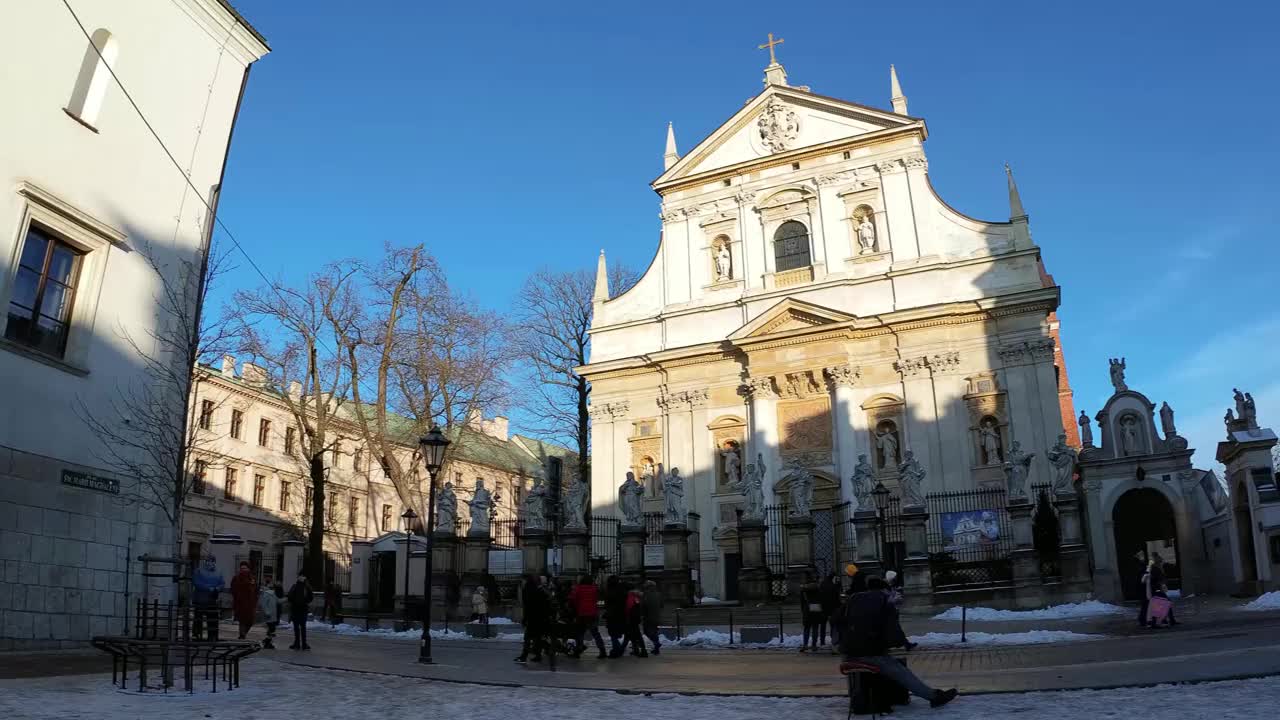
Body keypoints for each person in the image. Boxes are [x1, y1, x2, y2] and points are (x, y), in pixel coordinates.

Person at [840, 576, 957, 709]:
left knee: (891, 666)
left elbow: (836, 619)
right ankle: (934, 697)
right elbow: (893, 632)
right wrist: (897, 642)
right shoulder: (885, 601)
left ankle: (865, 698)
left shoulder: (854, 598)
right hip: (869, 653)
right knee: (901, 671)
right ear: (885, 589)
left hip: (848, 652)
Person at [567, 575, 608, 659]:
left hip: (581, 613)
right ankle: (602, 650)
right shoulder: (594, 589)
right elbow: (597, 598)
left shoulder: (578, 588)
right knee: (595, 633)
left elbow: (573, 599)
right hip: (592, 613)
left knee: (580, 633)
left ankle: (578, 651)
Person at [516, 575, 549, 663]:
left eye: (523, 581)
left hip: (532, 619)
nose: (522, 583)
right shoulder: (540, 591)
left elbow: (528, 608)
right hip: (540, 619)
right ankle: (537, 655)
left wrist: (525, 619)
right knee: (537, 638)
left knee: (527, 638)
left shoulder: (528, 591)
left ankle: (524, 656)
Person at [190, 555, 224, 641]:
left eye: (212, 561)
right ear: (205, 561)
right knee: (198, 618)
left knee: (212, 618)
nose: (210, 562)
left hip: (212, 599)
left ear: (214, 562)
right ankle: (196, 634)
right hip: (200, 598)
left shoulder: (218, 572)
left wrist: (218, 588)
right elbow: (196, 582)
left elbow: (222, 583)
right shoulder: (199, 571)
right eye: (208, 560)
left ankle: (213, 636)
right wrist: (208, 588)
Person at [230, 561, 257, 640]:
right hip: (240, 603)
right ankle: (242, 636)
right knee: (242, 620)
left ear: (248, 569)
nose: (243, 570)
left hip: (250, 603)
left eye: (245, 568)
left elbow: (255, 590)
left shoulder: (252, 578)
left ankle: (243, 634)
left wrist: (255, 600)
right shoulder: (236, 577)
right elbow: (233, 589)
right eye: (242, 568)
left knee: (250, 621)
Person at [287, 573, 314, 650]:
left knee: (296, 627)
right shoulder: (307, 587)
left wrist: (294, 602)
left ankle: (297, 643)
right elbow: (311, 597)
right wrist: (305, 602)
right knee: (303, 627)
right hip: (303, 609)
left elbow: (289, 597)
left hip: (295, 609)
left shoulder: (294, 586)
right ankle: (304, 644)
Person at [604, 576, 629, 658]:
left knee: (613, 634)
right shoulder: (622, 590)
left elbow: (607, 604)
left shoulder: (609, 591)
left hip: (612, 615)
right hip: (621, 615)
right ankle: (618, 648)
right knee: (617, 633)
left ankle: (616, 650)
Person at [799, 574, 825, 652]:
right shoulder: (818, 587)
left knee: (807, 628)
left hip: (807, 607)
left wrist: (803, 609)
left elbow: (802, 601)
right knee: (815, 627)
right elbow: (821, 598)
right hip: (816, 607)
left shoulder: (803, 588)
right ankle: (814, 645)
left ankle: (805, 644)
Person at [819, 573, 841, 654]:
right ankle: (833, 640)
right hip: (832, 609)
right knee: (833, 626)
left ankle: (822, 641)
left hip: (824, 608)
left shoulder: (823, 584)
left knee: (823, 625)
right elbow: (836, 598)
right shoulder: (833, 586)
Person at [258, 581, 284, 649]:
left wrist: (287, 599)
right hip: (269, 615)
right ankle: (266, 642)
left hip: (272, 615)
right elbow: (263, 604)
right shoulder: (266, 594)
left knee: (271, 629)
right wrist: (267, 612)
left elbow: (278, 601)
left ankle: (267, 642)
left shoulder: (272, 594)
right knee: (272, 629)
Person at [641, 580, 664, 656]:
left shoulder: (646, 594)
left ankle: (657, 644)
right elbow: (661, 605)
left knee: (647, 631)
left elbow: (643, 606)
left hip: (648, 617)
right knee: (654, 632)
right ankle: (656, 649)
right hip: (657, 616)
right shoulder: (658, 594)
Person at [625, 586, 647, 657]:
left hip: (631, 620)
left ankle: (642, 651)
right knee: (636, 635)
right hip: (636, 619)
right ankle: (638, 650)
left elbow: (628, 609)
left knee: (635, 636)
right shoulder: (636, 597)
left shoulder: (630, 597)